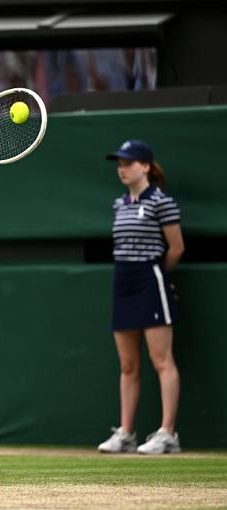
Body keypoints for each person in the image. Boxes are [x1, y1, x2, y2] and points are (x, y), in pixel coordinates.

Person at [98, 140, 185, 455]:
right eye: (119, 164)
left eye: (129, 163)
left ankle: (167, 434)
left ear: (146, 167)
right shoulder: (118, 204)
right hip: (122, 281)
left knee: (161, 361)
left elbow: (176, 248)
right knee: (128, 364)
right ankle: (126, 433)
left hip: (151, 280)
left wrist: (158, 275)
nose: (122, 169)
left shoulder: (163, 202)